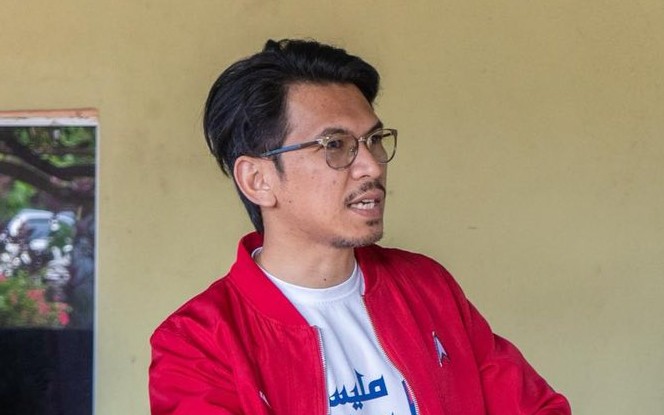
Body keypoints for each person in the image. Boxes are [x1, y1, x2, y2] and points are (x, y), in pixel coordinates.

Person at [149, 39, 571, 415]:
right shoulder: (198, 344)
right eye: (335, 145)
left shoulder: (427, 287)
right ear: (258, 180)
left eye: (374, 140)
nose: (371, 165)